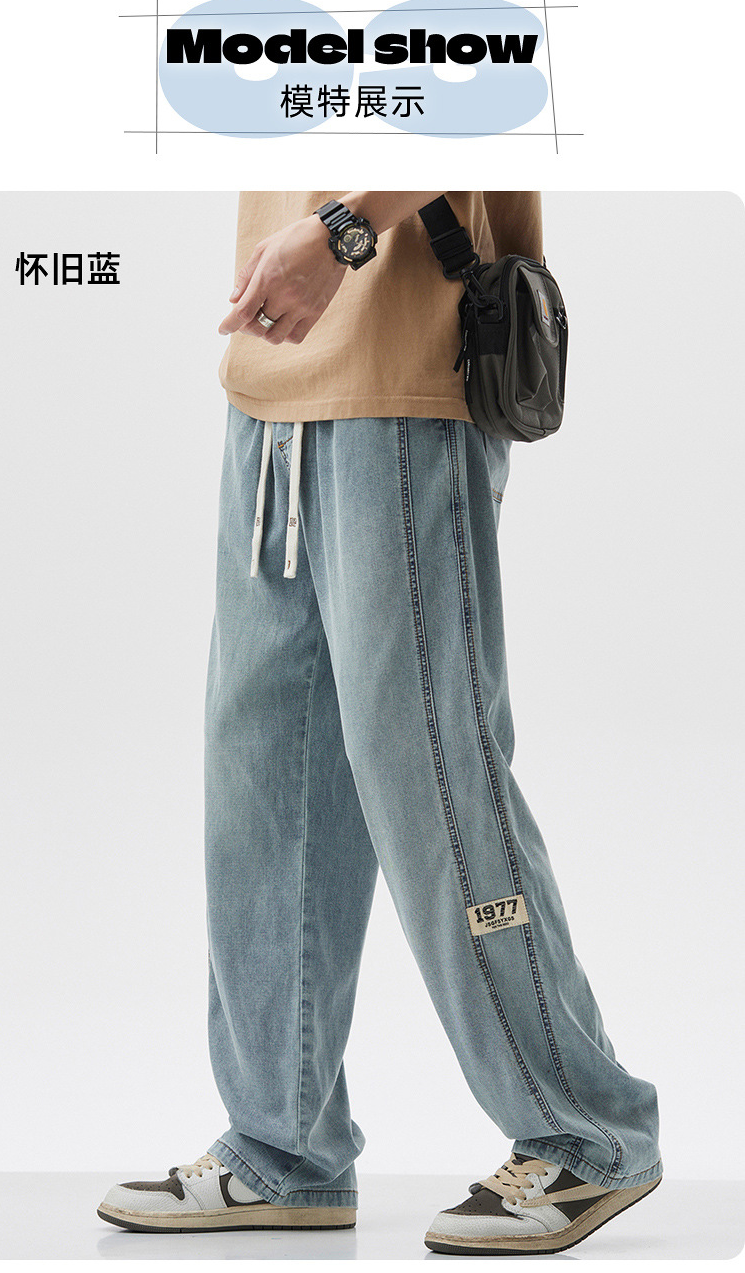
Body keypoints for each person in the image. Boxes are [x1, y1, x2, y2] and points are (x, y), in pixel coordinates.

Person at [97, 192, 662, 1255]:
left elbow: (476, 107)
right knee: (264, 784)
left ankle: (590, 1133)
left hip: (405, 378)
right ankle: (282, 1148)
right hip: (270, 394)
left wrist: (341, 234)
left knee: (432, 775)